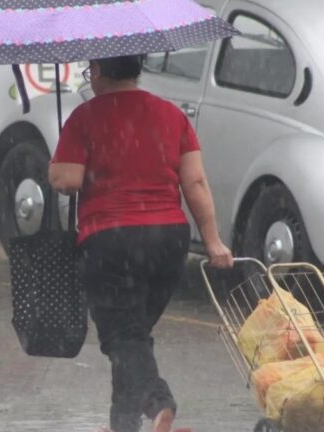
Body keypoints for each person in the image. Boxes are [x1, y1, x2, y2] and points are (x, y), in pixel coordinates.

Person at [48, 55, 233, 432]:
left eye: (89, 70)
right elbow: (195, 183)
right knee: (131, 336)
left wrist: (56, 168)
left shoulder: (85, 118)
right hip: (168, 241)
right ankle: (123, 425)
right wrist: (212, 241)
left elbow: (67, 180)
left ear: (98, 71)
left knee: (122, 336)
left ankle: (158, 402)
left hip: (111, 240)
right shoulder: (171, 115)